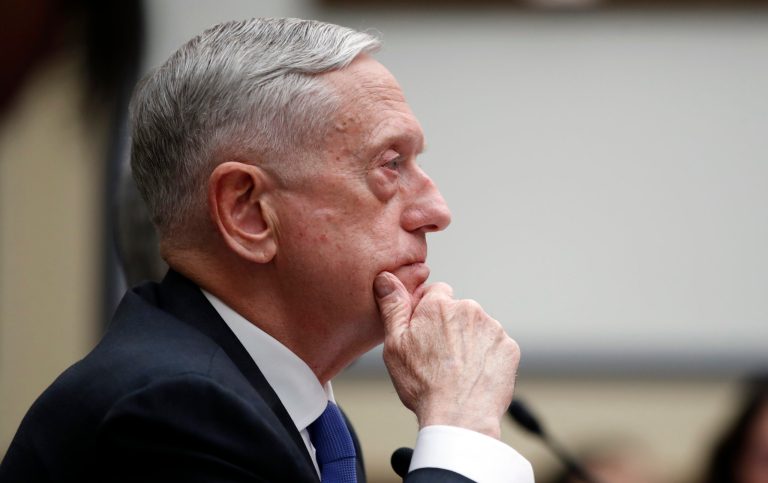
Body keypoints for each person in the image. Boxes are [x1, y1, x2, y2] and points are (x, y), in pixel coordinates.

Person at [0, 18, 534, 482]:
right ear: (248, 212)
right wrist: (460, 428)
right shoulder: (173, 412)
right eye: (390, 164)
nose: (436, 210)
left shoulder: (294, 414)